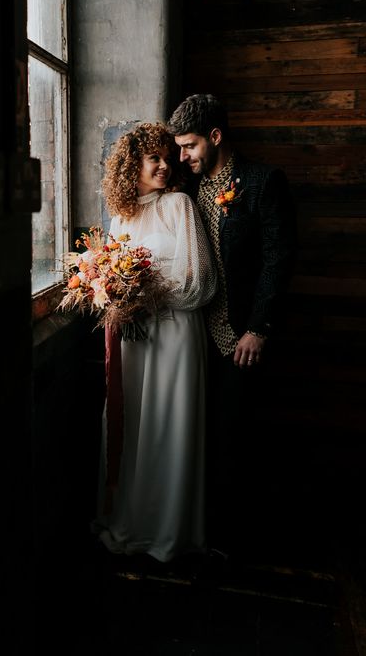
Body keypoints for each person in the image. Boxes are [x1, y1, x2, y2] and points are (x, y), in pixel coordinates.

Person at [166, 93, 297, 558]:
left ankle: (234, 542)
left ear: (215, 137)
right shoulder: (183, 189)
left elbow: (277, 261)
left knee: (233, 437)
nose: (182, 157)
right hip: (190, 339)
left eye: (189, 146)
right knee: (194, 437)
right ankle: (198, 531)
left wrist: (259, 328)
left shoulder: (263, 183)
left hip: (239, 336)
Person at [91, 122, 218, 564]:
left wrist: (144, 293)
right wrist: (114, 292)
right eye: (155, 159)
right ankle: (133, 518)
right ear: (133, 165)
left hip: (176, 333)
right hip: (134, 336)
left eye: (169, 157)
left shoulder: (179, 206)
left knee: (169, 424)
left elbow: (201, 283)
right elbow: (108, 277)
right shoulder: (121, 216)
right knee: (136, 425)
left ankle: (167, 529)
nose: (166, 166)